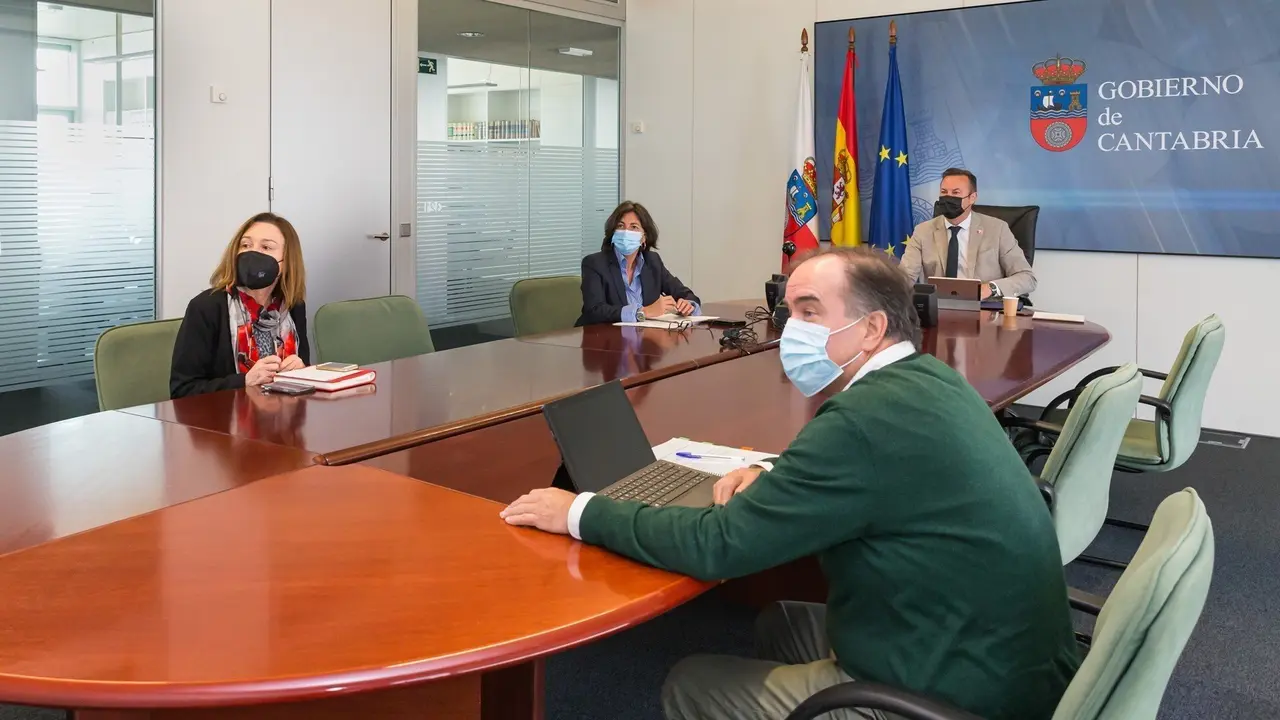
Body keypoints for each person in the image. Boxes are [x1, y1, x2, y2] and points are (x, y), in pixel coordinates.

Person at [501, 247, 1079, 720]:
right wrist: (775, 472)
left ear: (872, 327)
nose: (788, 330)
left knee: (690, 681)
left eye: (809, 312)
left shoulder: (863, 422)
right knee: (777, 620)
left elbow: (718, 546)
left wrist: (581, 511)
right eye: (788, 311)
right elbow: (878, 471)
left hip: (960, 690)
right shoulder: (929, 379)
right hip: (1000, 649)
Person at [170, 212, 309, 399]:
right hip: (224, 423)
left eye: (266, 247)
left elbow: (306, 377)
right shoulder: (207, 307)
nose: (252, 253)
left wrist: (301, 372)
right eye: (245, 245)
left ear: (286, 261)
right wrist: (243, 382)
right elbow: (182, 391)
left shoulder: (292, 306)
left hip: (285, 421)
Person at [899, 168, 1037, 299]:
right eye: (944, 192)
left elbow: (1027, 278)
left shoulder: (997, 229)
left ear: (972, 197)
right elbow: (905, 276)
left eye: (956, 193)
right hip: (937, 308)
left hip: (985, 309)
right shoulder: (923, 231)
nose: (948, 197)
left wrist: (990, 288)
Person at [577, 201, 701, 326]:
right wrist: (643, 312)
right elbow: (595, 310)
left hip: (643, 337)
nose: (626, 232)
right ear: (613, 233)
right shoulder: (594, 263)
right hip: (601, 339)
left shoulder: (652, 261)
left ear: (644, 237)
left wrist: (688, 305)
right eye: (620, 226)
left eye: (634, 227)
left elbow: (685, 294)